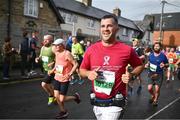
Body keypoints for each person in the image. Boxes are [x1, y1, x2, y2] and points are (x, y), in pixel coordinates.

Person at [79, 14, 144, 119]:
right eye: (103, 26)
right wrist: (88, 73)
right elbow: (81, 70)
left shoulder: (127, 50)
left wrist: (132, 75)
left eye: (109, 26)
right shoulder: (91, 49)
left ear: (117, 28)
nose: (105, 29)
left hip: (116, 103)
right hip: (97, 101)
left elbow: (139, 66)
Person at [48, 38, 81, 119]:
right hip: (57, 77)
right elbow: (57, 63)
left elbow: (76, 64)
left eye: (57, 45)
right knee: (57, 96)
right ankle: (63, 111)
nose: (55, 47)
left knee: (61, 99)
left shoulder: (67, 53)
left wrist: (70, 74)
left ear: (62, 45)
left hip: (65, 79)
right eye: (54, 45)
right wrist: (52, 70)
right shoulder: (57, 53)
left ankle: (75, 97)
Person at [145, 42, 169, 106]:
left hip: (159, 74)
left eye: (158, 46)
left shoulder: (163, 56)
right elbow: (149, 62)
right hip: (151, 74)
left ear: (160, 47)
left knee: (157, 89)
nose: (156, 47)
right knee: (149, 88)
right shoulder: (151, 55)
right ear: (153, 47)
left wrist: (164, 65)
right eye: (155, 46)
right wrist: (147, 64)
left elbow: (167, 64)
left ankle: (155, 100)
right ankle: (153, 95)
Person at [35, 35, 56, 106]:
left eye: (46, 40)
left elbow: (59, 58)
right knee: (49, 85)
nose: (44, 41)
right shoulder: (43, 48)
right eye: (44, 39)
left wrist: (53, 63)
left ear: (51, 40)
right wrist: (37, 59)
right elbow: (41, 56)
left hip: (51, 70)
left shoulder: (53, 48)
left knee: (43, 84)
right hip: (45, 69)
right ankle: (55, 97)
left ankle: (51, 96)